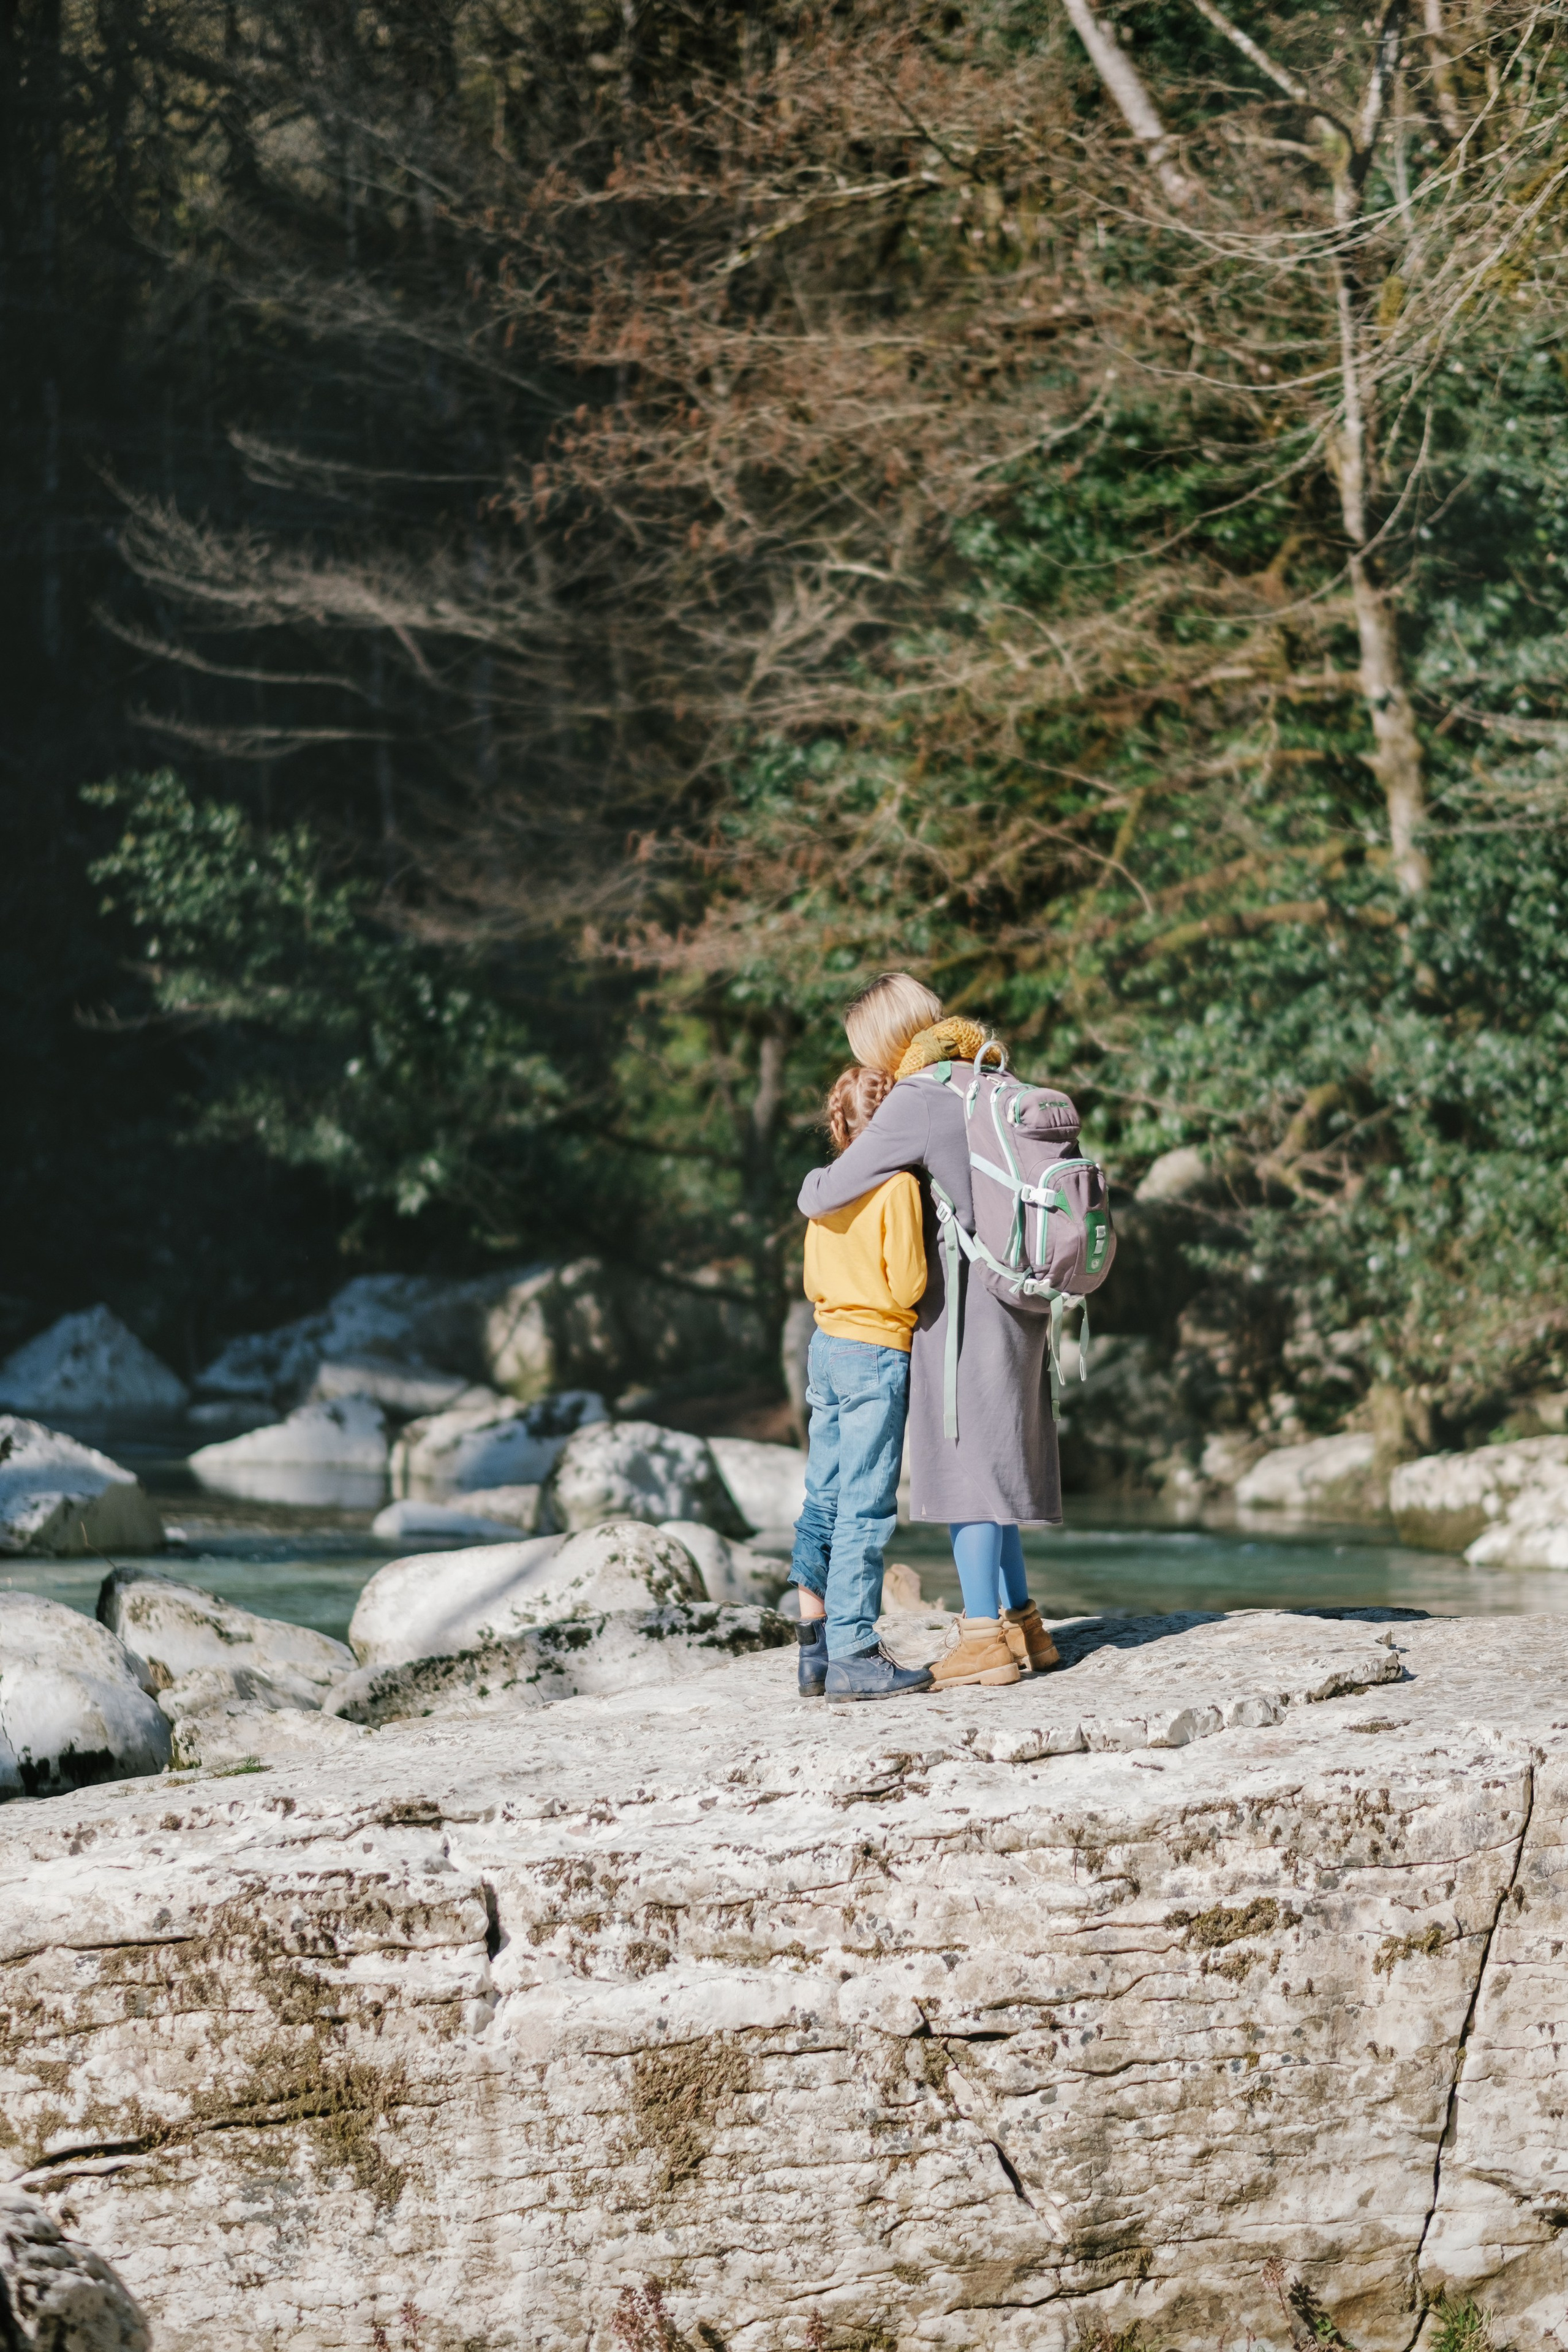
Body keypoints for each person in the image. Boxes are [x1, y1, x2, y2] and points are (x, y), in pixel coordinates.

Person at [796, 973, 1062, 1690]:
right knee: (995, 1457)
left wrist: (809, 1188)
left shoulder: (916, 1097)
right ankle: (1022, 1626)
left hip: (966, 1296)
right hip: (1021, 1286)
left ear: (883, 1041)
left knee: (964, 1466)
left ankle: (980, 1639)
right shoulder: (987, 1069)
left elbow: (826, 1189)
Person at [789, 1065, 936, 1704]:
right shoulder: (898, 1186)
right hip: (875, 1351)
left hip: (824, 1348)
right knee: (865, 1509)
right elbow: (906, 1285)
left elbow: (809, 1284)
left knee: (821, 1497)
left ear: (839, 1121)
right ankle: (854, 1653)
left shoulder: (820, 1189)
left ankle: (812, 1649)